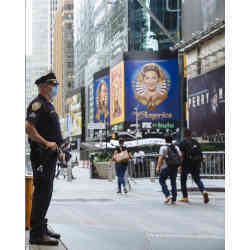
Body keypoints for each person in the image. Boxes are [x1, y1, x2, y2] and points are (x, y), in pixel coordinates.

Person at [25, 72, 64, 246]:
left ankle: (42, 226)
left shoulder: (48, 105)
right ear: (42, 86)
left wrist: (58, 149)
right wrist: (46, 143)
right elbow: (29, 128)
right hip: (41, 156)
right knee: (41, 193)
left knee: (46, 193)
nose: (54, 88)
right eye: (51, 85)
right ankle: (36, 233)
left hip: (49, 155)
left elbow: (52, 133)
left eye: (55, 85)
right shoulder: (37, 104)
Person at [178, 128, 209, 204]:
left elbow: (182, 156)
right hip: (196, 164)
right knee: (197, 179)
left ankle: (185, 197)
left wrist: (180, 166)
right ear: (191, 134)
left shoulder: (182, 143)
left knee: (183, 180)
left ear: (184, 134)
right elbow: (200, 154)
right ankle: (203, 191)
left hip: (186, 164)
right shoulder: (196, 142)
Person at [156, 135, 182, 204]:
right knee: (173, 182)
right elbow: (180, 156)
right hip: (175, 166)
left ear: (165, 140)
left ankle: (167, 195)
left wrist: (158, 167)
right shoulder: (176, 147)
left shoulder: (163, 147)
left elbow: (160, 158)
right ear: (172, 140)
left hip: (166, 167)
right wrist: (180, 166)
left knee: (161, 180)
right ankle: (174, 199)